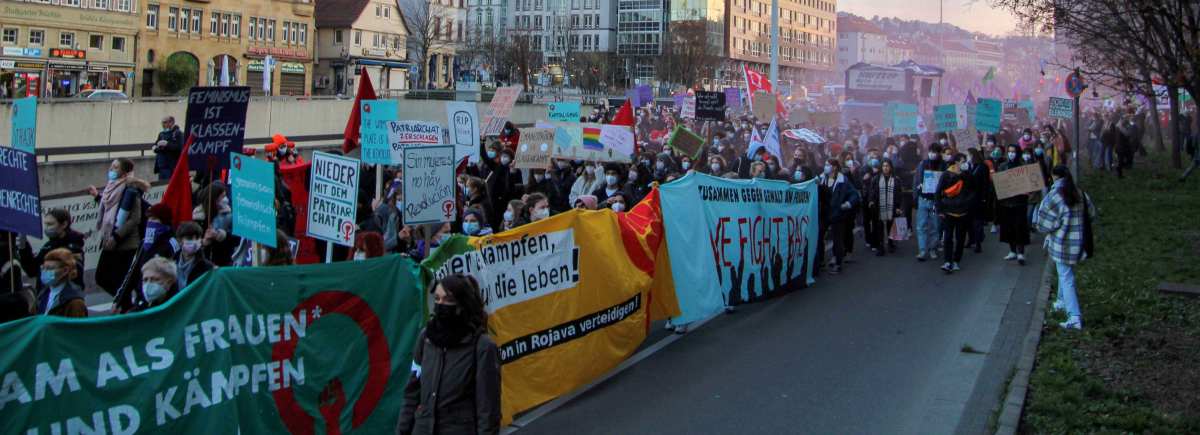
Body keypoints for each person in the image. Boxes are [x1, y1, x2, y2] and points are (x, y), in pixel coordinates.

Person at [396, 274, 501, 435]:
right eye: (437, 299)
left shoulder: (482, 347)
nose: (440, 305)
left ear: (462, 305)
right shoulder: (426, 338)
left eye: (447, 300)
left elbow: (488, 410)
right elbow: (412, 393)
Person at [1034, 165, 1095, 330]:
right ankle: (1061, 301)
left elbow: (1043, 225)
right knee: (1065, 273)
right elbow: (1092, 214)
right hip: (1079, 243)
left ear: (1054, 177)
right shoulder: (1080, 193)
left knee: (1066, 278)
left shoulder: (1054, 196)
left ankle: (1074, 317)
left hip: (1061, 245)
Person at [89, 158, 149, 297]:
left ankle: (125, 303)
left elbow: (135, 218)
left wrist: (116, 236)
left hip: (125, 243)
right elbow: (109, 207)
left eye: (115, 167)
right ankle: (124, 301)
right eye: (111, 166)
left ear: (124, 172)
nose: (111, 170)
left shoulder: (131, 190)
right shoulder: (112, 187)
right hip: (109, 240)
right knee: (102, 277)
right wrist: (97, 196)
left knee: (120, 280)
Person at [17, 208, 86, 293]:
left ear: (64, 224)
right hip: (45, 295)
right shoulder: (49, 245)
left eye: (50, 224)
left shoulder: (74, 248)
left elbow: (71, 276)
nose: (47, 228)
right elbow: (32, 271)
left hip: (64, 296)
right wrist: (24, 248)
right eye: (46, 224)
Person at [818, 159, 860, 274]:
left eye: (827, 165)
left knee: (837, 239)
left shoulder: (843, 181)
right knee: (819, 236)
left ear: (835, 167)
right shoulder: (821, 179)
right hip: (824, 213)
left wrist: (847, 204)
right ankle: (820, 261)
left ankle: (838, 263)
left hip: (837, 214)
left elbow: (854, 195)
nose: (825, 167)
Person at [935, 153, 975, 273]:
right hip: (948, 211)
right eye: (963, 161)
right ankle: (947, 261)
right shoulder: (946, 175)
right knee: (948, 237)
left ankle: (956, 260)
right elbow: (938, 193)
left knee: (960, 237)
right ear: (957, 162)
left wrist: (968, 203)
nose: (965, 163)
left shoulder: (967, 175)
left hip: (963, 212)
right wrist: (940, 210)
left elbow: (973, 190)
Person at [997, 145, 1032, 265]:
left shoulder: (1023, 167)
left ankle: (1021, 252)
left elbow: (1030, 184)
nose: (1011, 154)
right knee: (1009, 227)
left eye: (1013, 151)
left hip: (1019, 203)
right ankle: (1012, 251)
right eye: (1009, 151)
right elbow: (999, 184)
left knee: (1019, 227)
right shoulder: (1002, 166)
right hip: (1006, 203)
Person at [913, 144, 946, 261]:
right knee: (921, 226)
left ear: (938, 153)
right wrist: (917, 190)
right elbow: (916, 180)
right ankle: (922, 250)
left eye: (935, 152)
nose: (932, 154)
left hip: (935, 201)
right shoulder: (922, 164)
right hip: (923, 199)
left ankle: (932, 248)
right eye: (930, 151)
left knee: (935, 226)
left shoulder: (943, 165)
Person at [867, 159, 904, 255]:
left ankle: (891, 244)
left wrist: (899, 206)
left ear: (891, 167)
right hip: (879, 207)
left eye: (887, 166)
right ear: (881, 167)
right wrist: (871, 201)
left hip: (892, 206)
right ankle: (880, 247)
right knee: (879, 227)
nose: (885, 168)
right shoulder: (876, 179)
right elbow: (871, 191)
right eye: (883, 166)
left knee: (890, 226)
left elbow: (899, 194)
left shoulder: (896, 179)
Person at [36, 248, 88, 317]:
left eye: (50, 268)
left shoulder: (75, 302)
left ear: (65, 270)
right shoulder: (43, 293)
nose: (45, 272)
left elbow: (77, 326)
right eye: (43, 268)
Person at [964, 148, 995, 254]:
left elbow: (986, 184)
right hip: (967, 199)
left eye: (968, 155)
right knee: (968, 222)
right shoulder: (967, 167)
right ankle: (971, 239)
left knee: (977, 222)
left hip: (978, 198)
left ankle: (978, 243)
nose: (967, 158)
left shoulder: (982, 167)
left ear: (973, 155)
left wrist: (984, 198)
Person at [174, 221, 214, 290]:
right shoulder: (171, 262)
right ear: (180, 241)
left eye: (197, 238)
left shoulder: (206, 266)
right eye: (190, 238)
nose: (194, 241)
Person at [153, 116, 185, 181]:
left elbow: (179, 148)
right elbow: (156, 145)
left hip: (171, 166)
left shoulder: (178, 133)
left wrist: (167, 144)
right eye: (162, 123)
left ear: (171, 122)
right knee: (161, 187)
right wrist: (155, 148)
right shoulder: (161, 134)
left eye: (165, 122)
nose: (163, 125)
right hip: (161, 166)